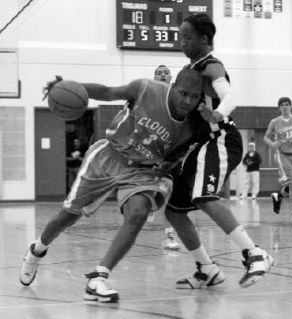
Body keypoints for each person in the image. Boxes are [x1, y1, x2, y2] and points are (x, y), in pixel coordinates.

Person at [19, 69, 204, 303]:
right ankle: (36, 251)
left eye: (194, 96)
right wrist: (70, 84)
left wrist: (166, 169)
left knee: (137, 214)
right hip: (108, 156)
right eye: (183, 93)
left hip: (142, 170)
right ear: (174, 86)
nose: (187, 100)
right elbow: (107, 92)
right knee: (68, 215)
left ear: (200, 98)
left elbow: (176, 156)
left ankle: (99, 278)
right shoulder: (146, 89)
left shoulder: (192, 126)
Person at [164, 13, 274, 289]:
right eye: (180, 37)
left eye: (187, 37)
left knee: (204, 195)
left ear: (204, 39)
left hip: (221, 139)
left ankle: (255, 253)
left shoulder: (211, 65)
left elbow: (230, 97)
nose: (182, 43)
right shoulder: (189, 72)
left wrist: (217, 114)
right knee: (174, 211)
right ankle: (206, 269)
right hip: (200, 145)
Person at [150, 64, 180, 250]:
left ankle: (169, 235)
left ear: (171, 77)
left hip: (174, 149)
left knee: (169, 193)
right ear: (155, 78)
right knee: (162, 190)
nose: (162, 75)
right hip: (152, 149)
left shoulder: (178, 96)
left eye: (165, 72)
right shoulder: (149, 97)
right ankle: (151, 202)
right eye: (158, 73)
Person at [263, 97, 292, 223]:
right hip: (283, 155)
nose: (285, 106)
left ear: (291, 106)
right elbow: (266, 137)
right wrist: (272, 144)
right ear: (279, 108)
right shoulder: (274, 122)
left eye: (287, 104)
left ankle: (278, 196)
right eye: (282, 105)